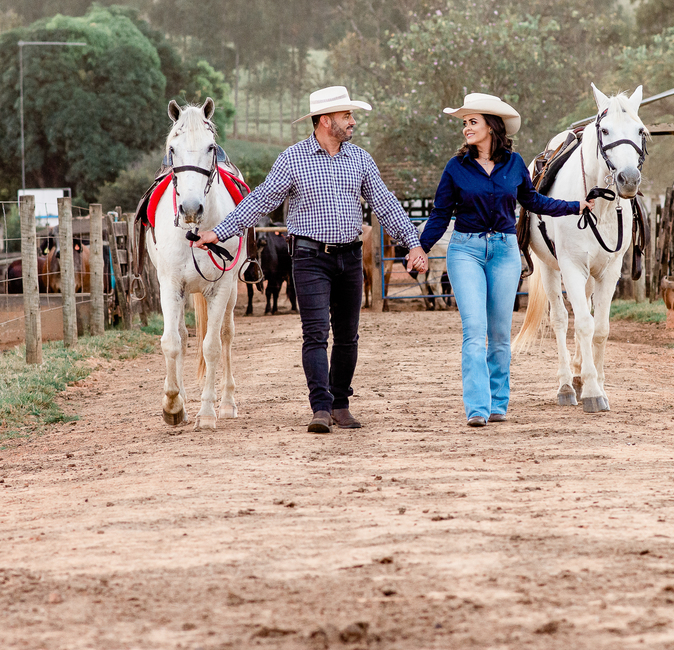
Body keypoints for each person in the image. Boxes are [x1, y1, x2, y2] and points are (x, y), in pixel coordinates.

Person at [194, 86, 428, 434]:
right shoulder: (292, 159)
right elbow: (260, 200)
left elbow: (385, 202)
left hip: (349, 256)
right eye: (346, 116)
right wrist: (220, 232)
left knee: (348, 336)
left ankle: (340, 404)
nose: (352, 121)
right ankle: (320, 407)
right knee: (316, 333)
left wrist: (413, 243)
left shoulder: (361, 159)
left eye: (350, 115)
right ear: (324, 120)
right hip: (308, 257)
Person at [419, 93, 598, 427]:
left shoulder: (514, 164)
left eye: (472, 122)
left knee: (500, 334)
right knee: (474, 330)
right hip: (466, 251)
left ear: (491, 125)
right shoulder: (455, 168)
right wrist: (419, 248)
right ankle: (477, 407)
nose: (466, 129)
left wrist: (575, 205)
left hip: (504, 252)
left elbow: (533, 201)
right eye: (464, 123)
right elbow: (441, 215)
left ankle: (498, 402)